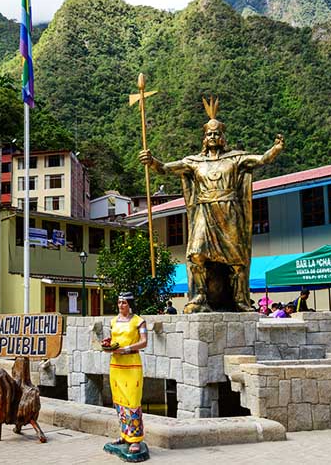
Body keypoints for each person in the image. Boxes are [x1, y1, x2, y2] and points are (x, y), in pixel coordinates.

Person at [140, 97, 284, 313]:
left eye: (217, 133)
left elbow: (261, 160)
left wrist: (275, 149)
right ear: (204, 138)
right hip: (204, 213)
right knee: (196, 253)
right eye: (209, 134)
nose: (213, 136)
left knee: (236, 259)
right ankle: (198, 297)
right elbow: (165, 168)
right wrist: (151, 161)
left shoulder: (235, 159)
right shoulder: (194, 162)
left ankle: (240, 300)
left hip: (229, 212)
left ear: (222, 137)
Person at [101, 292, 148, 455]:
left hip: (132, 363)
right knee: (119, 401)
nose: (121, 305)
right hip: (116, 364)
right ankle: (124, 435)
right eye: (119, 302)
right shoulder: (114, 321)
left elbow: (144, 342)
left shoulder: (139, 321)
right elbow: (115, 340)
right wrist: (108, 344)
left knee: (132, 401)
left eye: (124, 303)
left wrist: (126, 348)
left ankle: (135, 439)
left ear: (130, 304)